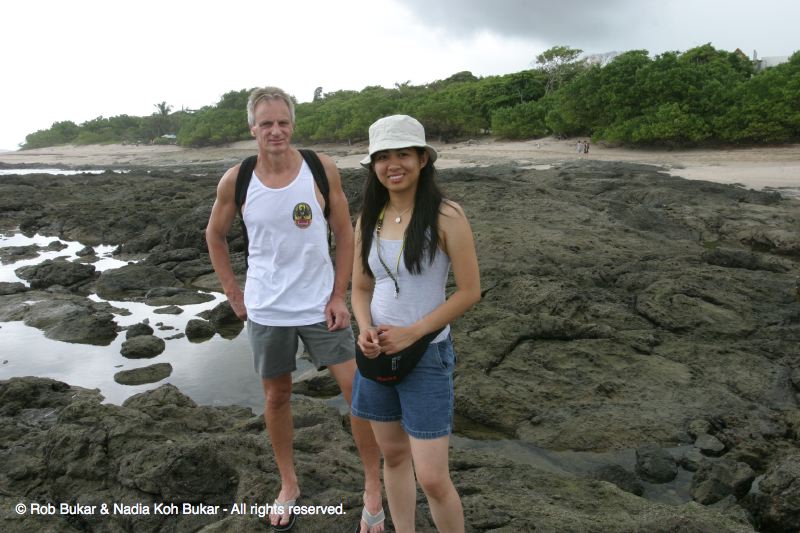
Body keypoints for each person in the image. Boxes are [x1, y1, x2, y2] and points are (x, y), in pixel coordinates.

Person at [206, 86, 384, 533]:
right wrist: (233, 292)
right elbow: (215, 234)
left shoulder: (320, 169)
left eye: (282, 122)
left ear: (292, 124)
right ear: (253, 128)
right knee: (277, 396)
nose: (276, 130)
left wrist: (339, 295)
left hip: (320, 306)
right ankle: (288, 483)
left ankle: (373, 488)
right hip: (267, 310)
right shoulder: (237, 179)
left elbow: (345, 234)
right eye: (266, 123)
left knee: (358, 394)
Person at [350, 115, 481, 533]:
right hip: (377, 358)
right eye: (383, 156)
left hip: (426, 355)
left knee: (432, 477)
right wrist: (364, 328)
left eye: (403, 154)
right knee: (393, 456)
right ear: (373, 165)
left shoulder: (447, 216)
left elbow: (469, 291)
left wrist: (415, 331)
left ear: (422, 159)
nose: (394, 164)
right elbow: (360, 288)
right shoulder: (368, 218)